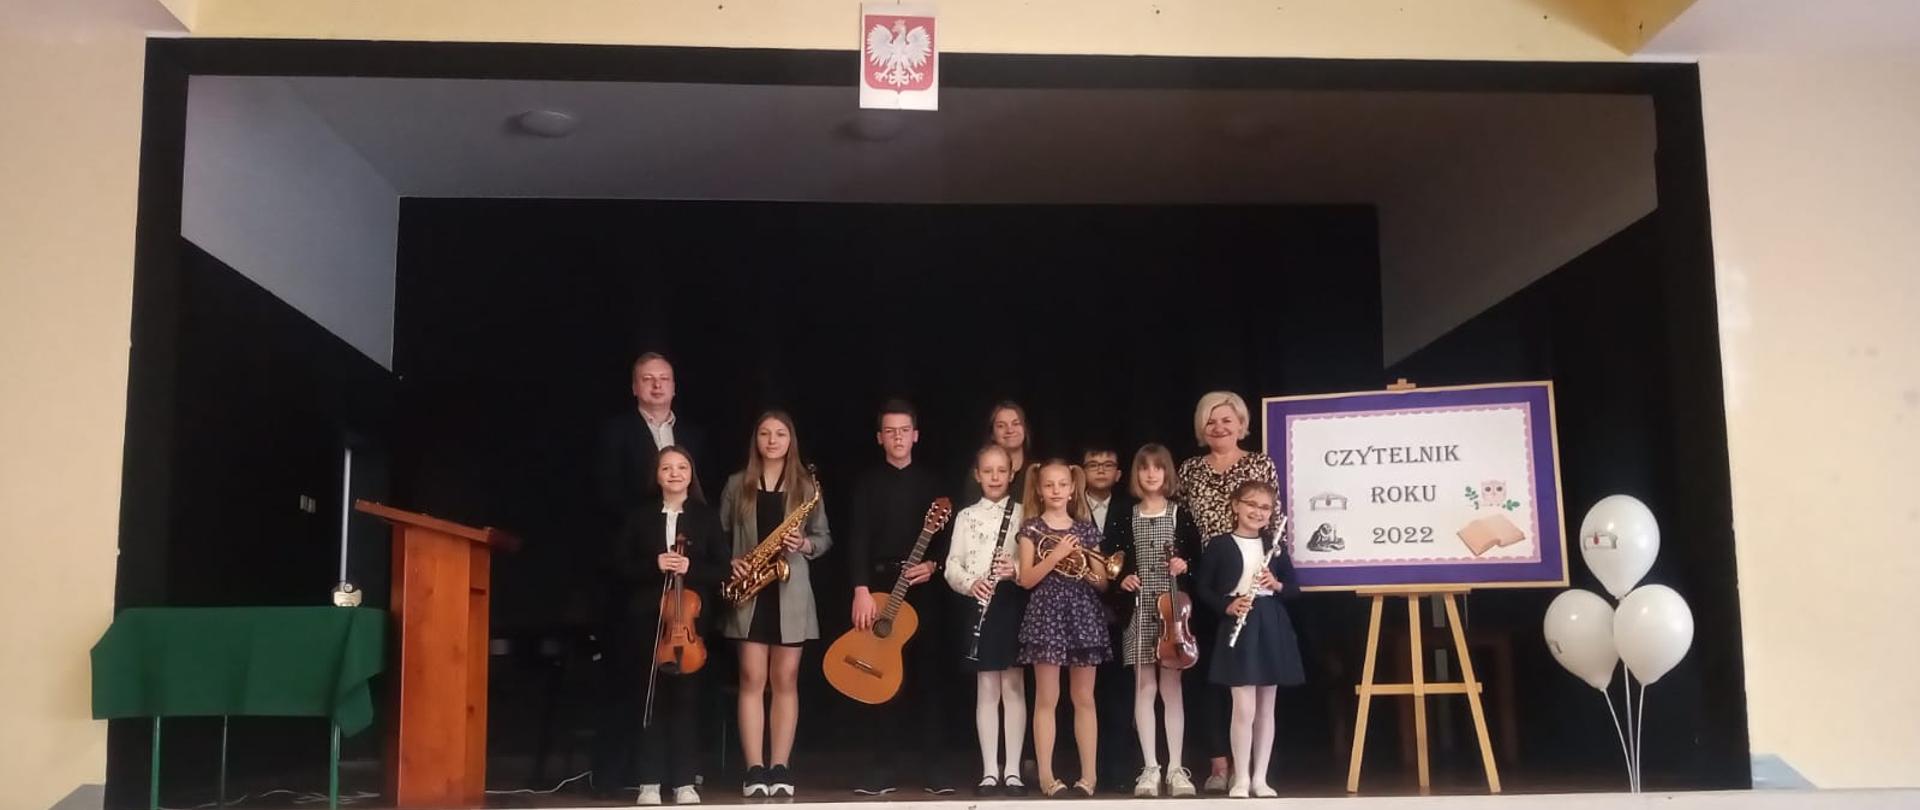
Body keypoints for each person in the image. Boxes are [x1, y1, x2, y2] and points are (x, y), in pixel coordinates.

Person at [591, 352, 709, 795]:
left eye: (664, 379)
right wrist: (649, 537)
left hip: (686, 592)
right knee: (635, 680)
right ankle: (634, 773)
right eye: (647, 379)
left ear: (674, 386)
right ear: (635, 387)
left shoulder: (694, 434)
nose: (657, 386)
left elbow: (702, 497)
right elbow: (606, 494)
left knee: (686, 691)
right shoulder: (617, 431)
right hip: (640, 576)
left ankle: (683, 773)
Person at [845, 399, 956, 796]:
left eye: (903, 430)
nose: (897, 437)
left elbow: (951, 541)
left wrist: (934, 566)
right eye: (889, 431)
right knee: (878, 679)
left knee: (928, 680)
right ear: (879, 437)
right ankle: (881, 768)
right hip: (878, 590)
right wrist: (860, 590)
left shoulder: (933, 483)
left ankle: (935, 770)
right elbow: (856, 538)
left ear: (916, 435)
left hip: (923, 589)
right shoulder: (866, 483)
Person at [718, 411, 832, 799]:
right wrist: (727, 562)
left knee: (786, 681)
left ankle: (780, 766)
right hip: (750, 590)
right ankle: (753, 769)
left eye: (780, 433)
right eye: (764, 433)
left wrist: (804, 545)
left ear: (790, 440)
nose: (772, 440)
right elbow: (718, 536)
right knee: (752, 680)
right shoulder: (737, 484)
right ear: (756, 440)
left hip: (791, 591)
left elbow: (824, 538)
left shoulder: (806, 486)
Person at [610, 447, 729, 805]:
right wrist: (655, 563)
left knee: (686, 702)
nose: (674, 473)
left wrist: (690, 568)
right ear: (656, 475)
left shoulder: (706, 518)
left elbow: (722, 569)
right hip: (647, 621)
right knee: (651, 702)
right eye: (667, 467)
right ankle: (648, 781)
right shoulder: (639, 517)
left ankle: (683, 781)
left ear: (691, 475)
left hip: (689, 623)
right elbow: (619, 566)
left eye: (682, 467)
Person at [1176, 390, 1281, 793]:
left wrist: (1270, 572)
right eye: (1211, 421)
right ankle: (1219, 764)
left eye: (1227, 420)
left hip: (1252, 579)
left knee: (1253, 679)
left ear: (1241, 424)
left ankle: (1251, 769)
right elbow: (1183, 524)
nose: (1219, 427)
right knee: (1210, 676)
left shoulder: (1259, 463)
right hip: (1207, 581)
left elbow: (1274, 518)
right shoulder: (1189, 469)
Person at [1194, 481, 1304, 799]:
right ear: (1235, 505)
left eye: (1265, 507)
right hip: (1238, 624)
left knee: (1267, 707)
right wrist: (1227, 605)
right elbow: (1203, 589)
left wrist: (1277, 584)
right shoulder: (1219, 545)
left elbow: (1295, 590)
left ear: (1272, 514)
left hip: (1271, 622)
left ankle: (1260, 778)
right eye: (1251, 504)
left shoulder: (1275, 547)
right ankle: (1240, 777)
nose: (1258, 511)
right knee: (1243, 708)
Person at [1108, 444, 1206, 797]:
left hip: (1173, 614)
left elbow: (1197, 559)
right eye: (1144, 468)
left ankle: (1177, 767)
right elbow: (1113, 561)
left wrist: (1185, 566)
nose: (1151, 474)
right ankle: (1150, 766)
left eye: (1158, 468)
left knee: (1172, 689)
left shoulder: (1181, 514)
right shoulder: (1124, 515)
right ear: (1136, 474)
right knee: (1143, 687)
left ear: (1168, 473)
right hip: (1138, 611)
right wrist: (1123, 579)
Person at [1015, 460, 1112, 797]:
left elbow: (1102, 582)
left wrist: (1087, 569)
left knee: (1084, 698)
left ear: (1073, 489)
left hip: (1083, 612)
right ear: (1040, 491)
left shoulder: (1086, 530)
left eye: (1062, 485)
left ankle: (1089, 776)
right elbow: (1026, 579)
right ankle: (1046, 775)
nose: (1056, 491)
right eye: (1049, 485)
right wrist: (1056, 556)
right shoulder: (1030, 529)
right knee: (1047, 699)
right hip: (1047, 615)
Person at [945, 444, 1030, 797]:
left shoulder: (1026, 514)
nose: (995, 477)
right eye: (988, 471)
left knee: (1013, 686)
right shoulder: (965, 517)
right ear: (977, 475)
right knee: (986, 689)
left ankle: (1013, 771)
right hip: (980, 602)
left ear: (1012, 474)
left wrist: (1017, 569)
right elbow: (951, 565)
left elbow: (1036, 563)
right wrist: (970, 584)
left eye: (1001, 471)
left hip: (1011, 602)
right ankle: (989, 771)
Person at [1081, 445, 1138, 794]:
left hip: (1118, 608)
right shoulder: (1070, 507)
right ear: (1081, 471)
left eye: (1108, 465)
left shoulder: (1130, 510)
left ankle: (1118, 769)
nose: (1101, 470)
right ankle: (1086, 769)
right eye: (1093, 464)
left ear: (1119, 474)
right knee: (1083, 696)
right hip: (1076, 608)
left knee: (1118, 691)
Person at [961, 401, 1032, 504]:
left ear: (1025, 429)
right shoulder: (979, 474)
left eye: (1016, 423)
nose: (1010, 430)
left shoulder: (1037, 471)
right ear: (992, 434)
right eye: (1001, 426)